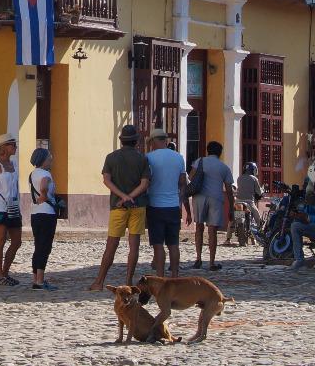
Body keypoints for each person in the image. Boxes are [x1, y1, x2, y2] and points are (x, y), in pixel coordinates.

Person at [89, 124, 151, 291]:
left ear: (121, 140)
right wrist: (131, 197)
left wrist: (123, 197)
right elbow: (144, 184)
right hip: (138, 205)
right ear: (136, 141)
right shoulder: (142, 159)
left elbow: (106, 180)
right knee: (134, 245)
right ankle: (129, 280)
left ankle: (99, 281)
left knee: (111, 245)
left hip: (118, 206)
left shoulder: (111, 157)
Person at [144, 126, 189, 278]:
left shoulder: (149, 158)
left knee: (158, 245)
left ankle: (160, 277)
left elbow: (146, 181)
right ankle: (175, 276)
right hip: (173, 206)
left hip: (155, 205)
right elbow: (182, 182)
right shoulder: (178, 157)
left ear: (153, 142)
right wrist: (179, 200)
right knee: (173, 245)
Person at [188, 141, 235, 271]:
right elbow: (229, 190)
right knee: (213, 230)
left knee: (199, 228)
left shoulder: (199, 161)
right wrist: (231, 207)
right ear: (220, 153)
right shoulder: (224, 167)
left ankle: (198, 259)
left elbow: (191, 178)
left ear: (208, 150)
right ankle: (212, 262)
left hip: (199, 197)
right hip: (216, 198)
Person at [0, 133, 23, 286]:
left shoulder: (13, 164)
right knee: (0, 240)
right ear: (5, 147)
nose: (15, 147)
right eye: (13, 144)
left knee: (17, 241)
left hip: (14, 207)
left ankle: (5, 272)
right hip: (1, 207)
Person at [27, 146, 60, 290]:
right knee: (45, 247)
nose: (51, 160)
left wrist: (40, 197)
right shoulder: (46, 174)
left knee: (37, 245)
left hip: (35, 213)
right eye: (49, 158)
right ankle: (40, 280)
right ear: (43, 160)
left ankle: (35, 278)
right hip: (47, 213)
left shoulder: (32, 174)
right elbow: (44, 185)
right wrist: (44, 195)